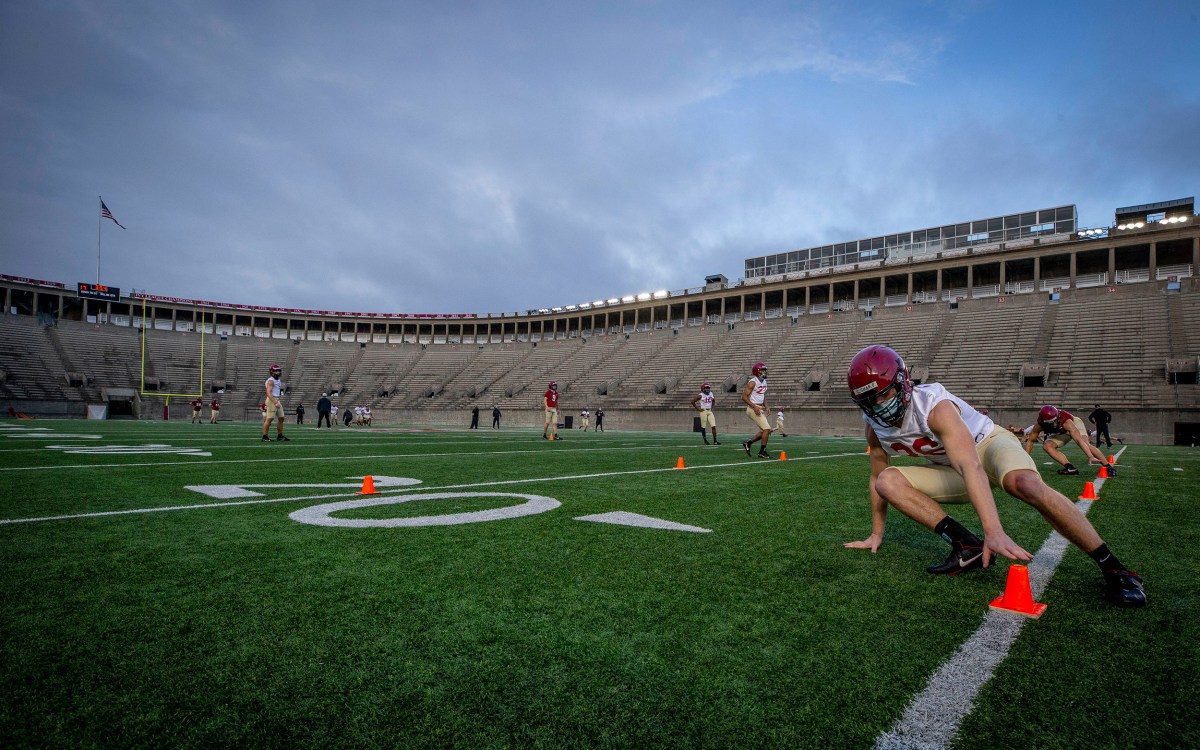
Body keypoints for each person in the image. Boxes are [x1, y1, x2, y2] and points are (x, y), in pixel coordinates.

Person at [842, 345, 1144, 607]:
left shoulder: (933, 406)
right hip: (953, 468)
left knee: (1023, 483)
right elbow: (876, 476)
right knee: (887, 481)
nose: (879, 407)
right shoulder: (874, 424)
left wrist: (994, 530)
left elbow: (972, 465)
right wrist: (877, 533)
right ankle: (967, 546)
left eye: (884, 396)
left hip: (987, 446)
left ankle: (1114, 568)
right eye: (869, 403)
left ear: (903, 382)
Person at [1023, 405, 1115, 477]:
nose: (1056, 422)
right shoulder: (1039, 425)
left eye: (1056, 420)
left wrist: (1090, 456)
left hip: (1075, 424)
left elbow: (1079, 441)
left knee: (1085, 443)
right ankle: (1070, 468)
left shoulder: (1066, 421)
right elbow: (1030, 441)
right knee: (1047, 446)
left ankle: (1108, 467)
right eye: (1053, 422)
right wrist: (1025, 459)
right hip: (1062, 431)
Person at [741, 362, 772, 459]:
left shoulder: (764, 381)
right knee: (767, 429)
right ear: (757, 371)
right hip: (752, 409)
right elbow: (744, 397)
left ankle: (748, 443)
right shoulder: (753, 382)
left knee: (766, 431)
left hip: (759, 408)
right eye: (762, 370)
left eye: (764, 370)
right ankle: (762, 452)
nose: (764, 372)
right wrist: (754, 406)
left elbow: (762, 396)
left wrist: (766, 406)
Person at [261, 364, 289, 442]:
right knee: (269, 419)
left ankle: (280, 435)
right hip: (272, 400)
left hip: (276, 399)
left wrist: (277, 402)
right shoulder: (271, 381)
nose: (278, 372)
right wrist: (275, 402)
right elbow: (268, 393)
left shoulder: (277, 380)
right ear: (272, 372)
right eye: (276, 370)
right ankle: (265, 436)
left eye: (279, 370)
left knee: (281, 418)